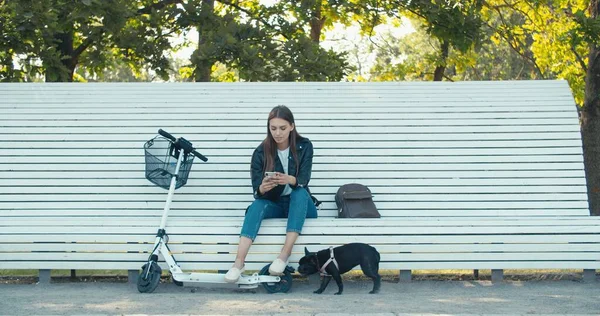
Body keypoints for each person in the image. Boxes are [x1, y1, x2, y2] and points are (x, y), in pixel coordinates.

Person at [225, 105, 318, 282]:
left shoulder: (305, 146)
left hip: (303, 206)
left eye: (282, 128)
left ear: (292, 126)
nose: (278, 133)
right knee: (256, 205)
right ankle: (238, 263)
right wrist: (262, 188)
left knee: (298, 192)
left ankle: (284, 255)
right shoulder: (261, 152)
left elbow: (304, 179)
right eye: (273, 128)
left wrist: (290, 179)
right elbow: (256, 191)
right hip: (277, 205)